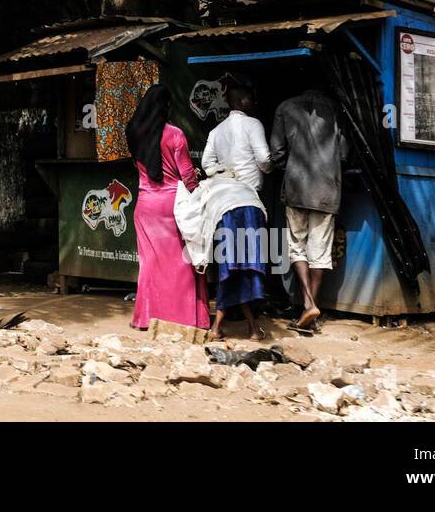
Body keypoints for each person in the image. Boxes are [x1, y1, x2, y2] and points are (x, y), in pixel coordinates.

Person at [125, 84, 209, 331]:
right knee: (181, 264)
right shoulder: (175, 134)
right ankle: (182, 319)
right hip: (173, 205)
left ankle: (145, 319)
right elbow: (186, 174)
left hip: (145, 205)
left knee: (149, 264)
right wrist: (199, 191)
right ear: (166, 107)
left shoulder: (133, 131)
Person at [270, 87, 348, 333]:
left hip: (297, 188)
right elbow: (345, 153)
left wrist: (292, 170)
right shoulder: (336, 109)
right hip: (327, 190)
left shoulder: (285, 106)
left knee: (297, 246)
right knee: (320, 250)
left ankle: (308, 303)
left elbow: (277, 153)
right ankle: (310, 311)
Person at [201, 85, 273, 340]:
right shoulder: (253, 124)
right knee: (246, 264)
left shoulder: (216, 131)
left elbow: (206, 165)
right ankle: (243, 326)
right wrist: (267, 169)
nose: (254, 101)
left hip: (222, 205)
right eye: (251, 97)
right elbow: (264, 158)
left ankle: (228, 326)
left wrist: (225, 171)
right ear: (242, 101)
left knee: (230, 263)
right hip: (247, 202)